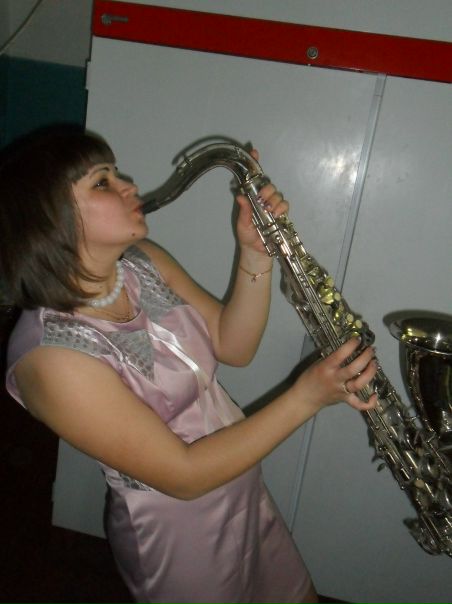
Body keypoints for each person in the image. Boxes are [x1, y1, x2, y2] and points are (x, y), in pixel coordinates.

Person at [0, 128, 378, 604]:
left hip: (242, 487)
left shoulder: (141, 263)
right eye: (102, 181)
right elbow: (183, 475)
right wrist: (307, 397)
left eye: (116, 173)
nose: (129, 185)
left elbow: (232, 345)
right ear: (46, 219)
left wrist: (254, 251)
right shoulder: (50, 358)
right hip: (180, 535)